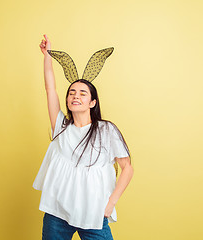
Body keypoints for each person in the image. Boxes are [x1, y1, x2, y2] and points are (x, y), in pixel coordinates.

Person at [33, 34, 134, 240]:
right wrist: (47, 56)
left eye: (82, 93)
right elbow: (50, 89)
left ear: (92, 102)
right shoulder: (61, 127)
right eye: (71, 93)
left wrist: (111, 203)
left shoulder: (106, 131)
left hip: (94, 212)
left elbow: (127, 168)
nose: (75, 96)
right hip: (57, 212)